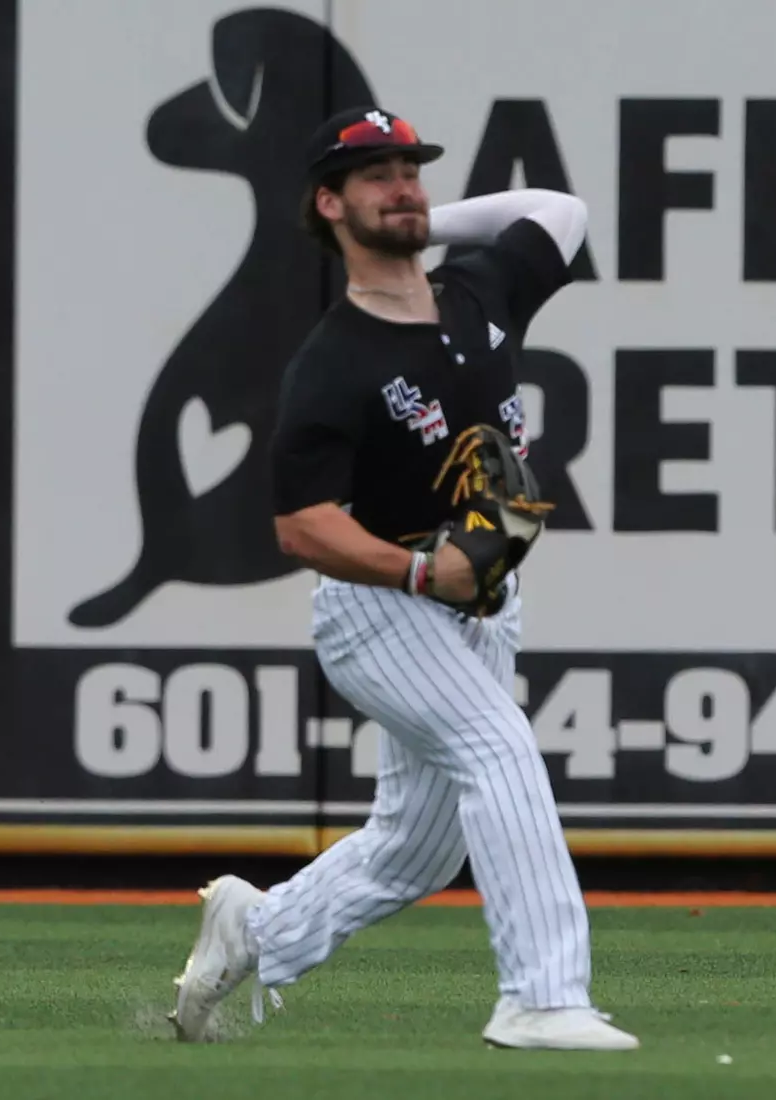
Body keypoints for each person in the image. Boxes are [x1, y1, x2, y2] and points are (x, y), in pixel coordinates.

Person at [169, 105, 638, 1052]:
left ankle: (253, 929)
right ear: (327, 204)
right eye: (375, 175)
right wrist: (422, 572)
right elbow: (302, 527)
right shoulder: (332, 361)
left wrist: (426, 220)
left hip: (479, 606)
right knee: (499, 750)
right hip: (382, 609)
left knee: (416, 849)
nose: (402, 184)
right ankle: (541, 1000)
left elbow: (560, 211)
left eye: (409, 169)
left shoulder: (478, 292)